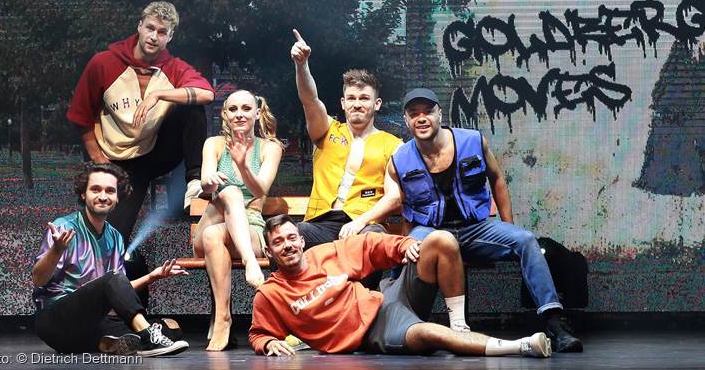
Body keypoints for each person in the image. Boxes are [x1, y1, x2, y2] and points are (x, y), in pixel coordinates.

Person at [350, 87, 584, 353]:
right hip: (432, 232)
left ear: (440, 114)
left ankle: (554, 323)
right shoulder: (399, 160)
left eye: (428, 111)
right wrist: (404, 245)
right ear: (406, 120)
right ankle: (405, 324)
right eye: (414, 114)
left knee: (527, 240)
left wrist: (507, 224)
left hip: (475, 229)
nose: (421, 118)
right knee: (409, 251)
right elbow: (402, 207)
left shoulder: (473, 141)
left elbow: (497, 179)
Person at [248, 215, 551, 358]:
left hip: (385, 298)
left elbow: (371, 244)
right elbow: (258, 332)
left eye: (291, 238)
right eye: (279, 242)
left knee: (441, 240)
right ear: (270, 252)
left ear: (301, 241)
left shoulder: (325, 253)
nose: (287, 245)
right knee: (429, 333)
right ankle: (522, 346)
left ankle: (460, 326)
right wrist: (267, 343)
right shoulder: (271, 294)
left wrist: (404, 245)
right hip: (374, 333)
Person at [66, 1, 215, 287]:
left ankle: (194, 179)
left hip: (154, 151)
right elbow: (80, 116)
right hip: (117, 160)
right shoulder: (104, 63)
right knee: (112, 238)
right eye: (150, 28)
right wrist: (100, 162)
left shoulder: (173, 67)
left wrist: (160, 95)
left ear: (170, 36)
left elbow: (207, 94)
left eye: (162, 32)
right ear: (139, 26)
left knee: (193, 107)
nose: (153, 36)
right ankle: (105, 296)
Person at [32, 162, 190, 357]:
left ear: (117, 198)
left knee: (171, 329)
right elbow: (38, 280)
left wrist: (152, 277)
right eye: (95, 189)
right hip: (56, 321)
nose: (103, 196)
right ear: (83, 194)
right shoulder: (64, 227)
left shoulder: (114, 237)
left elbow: (116, 290)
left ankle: (107, 343)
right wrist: (56, 250)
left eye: (110, 191)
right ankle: (148, 337)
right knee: (120, 292)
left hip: (88, 323)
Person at [289, 29, 401, 248]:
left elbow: (394, 196)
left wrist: (361, 222)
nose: (357, 104)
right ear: (343, 103)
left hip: (364, 223)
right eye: (351, 98)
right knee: (290, 236)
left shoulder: (393, 145)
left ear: (376, 104)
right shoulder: (327, 130)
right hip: (319, 223)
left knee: (373, 238)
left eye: (364, 98)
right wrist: (302, 65)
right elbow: (310, 100)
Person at [192, 90, 283, 351]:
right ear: (225, 114)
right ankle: (250, 262)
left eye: (246, 108)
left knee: (214, 236)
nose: (239, 114)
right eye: (233, 109)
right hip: (213, 217)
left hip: (249, 226)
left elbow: (260, 190)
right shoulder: (214, 144)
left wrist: (243, 165)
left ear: (257, 112)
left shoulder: (270, 148)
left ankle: (223, 318)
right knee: (229, 193)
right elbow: (206, 182)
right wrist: (209, 182)